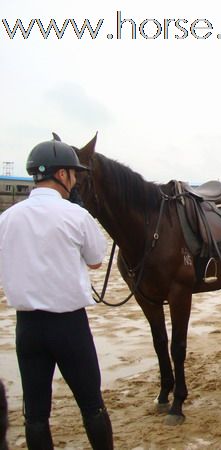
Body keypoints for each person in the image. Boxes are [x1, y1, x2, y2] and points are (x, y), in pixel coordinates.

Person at [0, 137, 113, 449]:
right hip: (69, 326)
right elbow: (95, 261)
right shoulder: (76, 215)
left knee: (35, 415)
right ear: (62, 175)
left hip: (27, 328)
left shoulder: (6, 219)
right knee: (92, 405)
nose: (75, 180)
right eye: (73, 174)